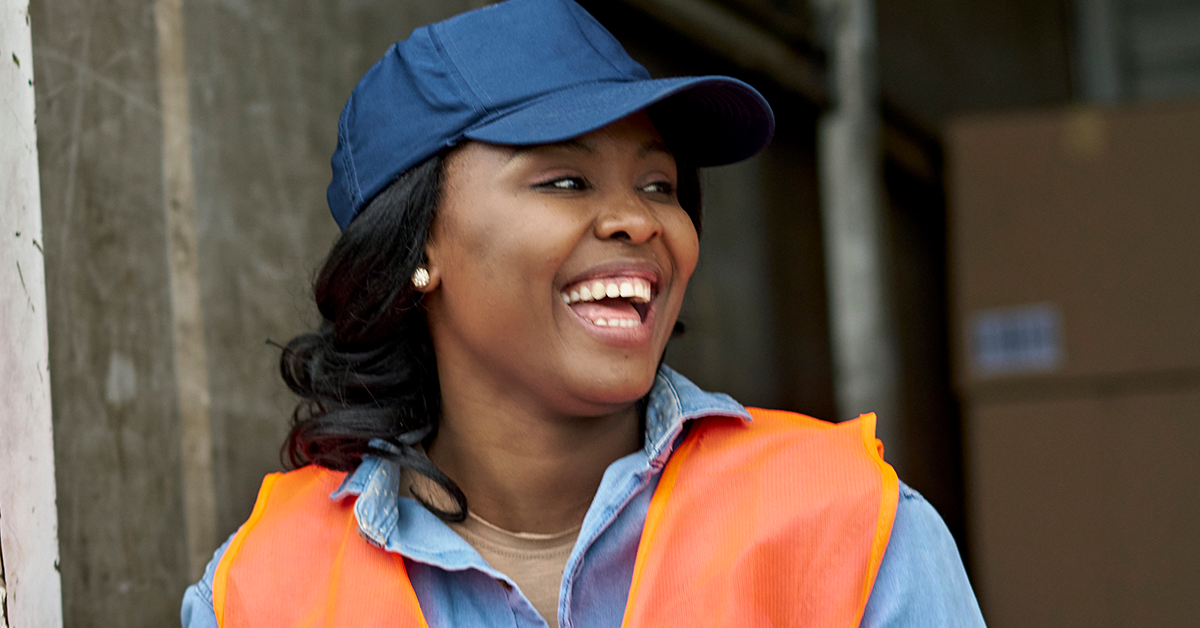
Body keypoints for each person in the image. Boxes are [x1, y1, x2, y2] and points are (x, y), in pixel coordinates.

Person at [182, 0, 986, 626]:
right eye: (565, 181)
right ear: (418, 246)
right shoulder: (258, 595)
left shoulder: (848, 527)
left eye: (659, 185)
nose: (639, 220)